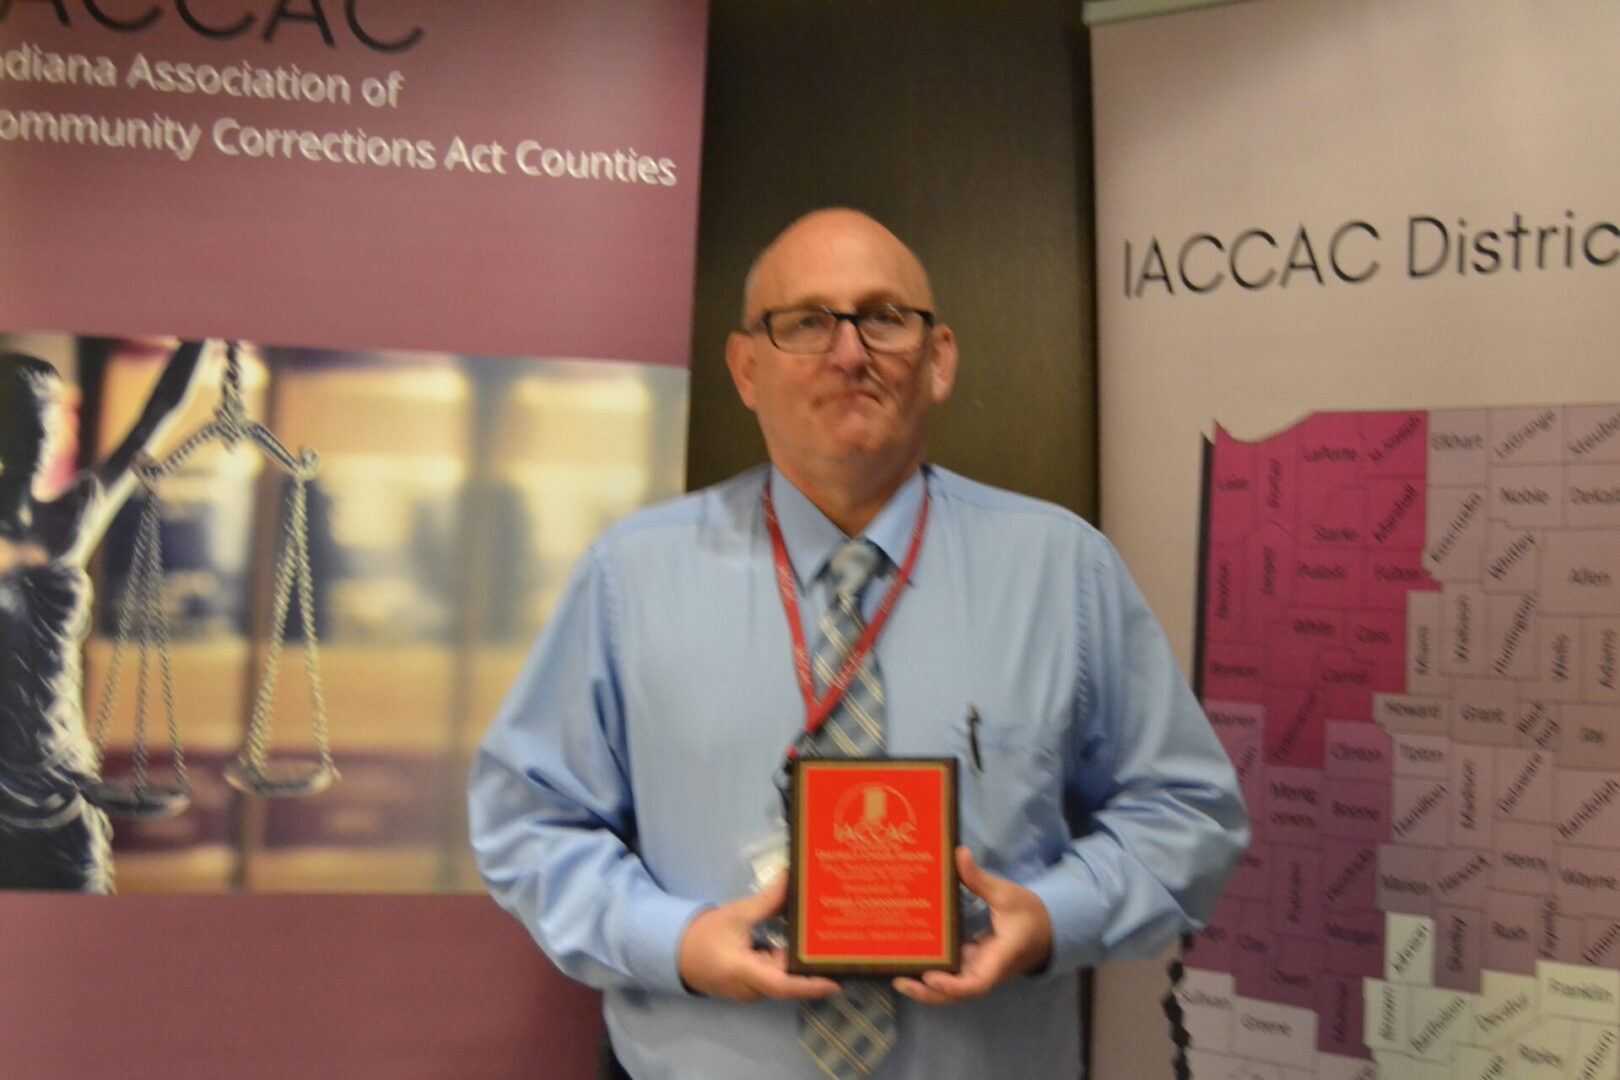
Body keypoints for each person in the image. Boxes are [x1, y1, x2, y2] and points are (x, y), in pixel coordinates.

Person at [469, 210, 1247, 1079]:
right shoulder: (630, 576)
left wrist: (1051, 921)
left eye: (883, 317)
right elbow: (527, 821)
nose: (850, 353)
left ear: (939, 357)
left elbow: (1188, 813)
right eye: (805, 322)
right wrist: (675, 942)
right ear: (746, 368)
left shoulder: (1062, 569)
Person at [0, 340, 204, 892]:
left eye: (47, 423)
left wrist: (207, 336)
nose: (39, 439)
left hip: (62, 790)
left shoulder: (73, 518)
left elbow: (156, 416)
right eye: (22, 424)